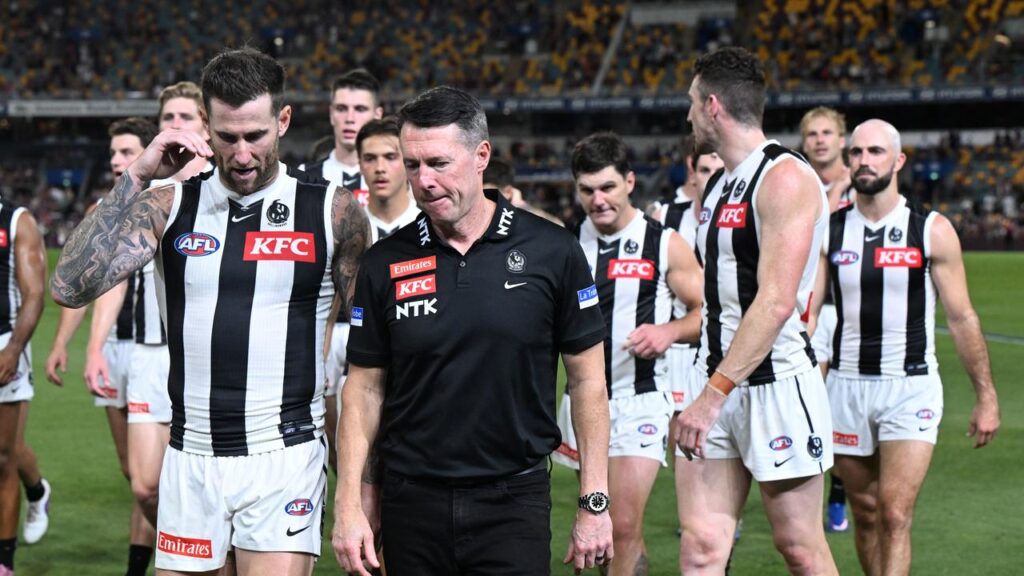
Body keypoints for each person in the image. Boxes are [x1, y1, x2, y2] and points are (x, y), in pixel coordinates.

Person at [51, 47, 369, 576]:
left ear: (283, 120)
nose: (242, 155)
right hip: (190, 454)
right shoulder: (169, 204)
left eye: (256, 136)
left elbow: (374, 348)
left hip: (284, 455)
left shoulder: (332, 212)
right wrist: (137, 175)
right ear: (204, 124)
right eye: (226, 138)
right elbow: (70, 284)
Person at [332, 86, 613, 576]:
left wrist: (594, 501)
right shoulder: (384, 262)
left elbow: (588, 381)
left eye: (439, 163)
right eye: (413, 165)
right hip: (411, 502)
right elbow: (363, 388)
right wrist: (351, 501)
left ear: (481, 156)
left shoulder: (553, 250)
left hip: (514, 502)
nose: (424, 181)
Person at [673, 47, 838, 575]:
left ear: (714, 105)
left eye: (693, 103)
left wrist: (709, 397)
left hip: (775, 385)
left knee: (799, 548)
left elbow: (774, 302)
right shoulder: (719, 182)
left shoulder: (784, 177)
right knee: (701, 548)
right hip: (715, 379)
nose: (689, 114)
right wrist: (708, 388)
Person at [813, 119, 1000, 576]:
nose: (863, 161)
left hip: (910, 386)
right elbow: (810, 314)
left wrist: (986, 395)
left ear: (898, 161)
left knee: (895, 513)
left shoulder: (930, 230)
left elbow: (962, 318)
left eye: (875, 152)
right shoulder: (828, 232)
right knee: (866, 511)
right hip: (846, 387)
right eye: (855, 153)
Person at [551, 131, 702, 576]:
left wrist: (669, 331)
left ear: (630, 182)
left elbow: (706, 314)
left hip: (641, 400)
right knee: (598, 527)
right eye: (587, 190)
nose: (598, 200)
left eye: (608, 187)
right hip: (581, 404)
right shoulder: (565, 243)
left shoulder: (664, 242)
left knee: (621, 525)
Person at [84, 82, 211, 547]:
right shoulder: (145, 195)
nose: (176, 127)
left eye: (186, 118)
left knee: (202, 485)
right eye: (167, 119)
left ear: (206, 125)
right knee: (145, 486)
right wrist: (95, 347)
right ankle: (196, 550)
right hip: (148, 356)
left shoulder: (220, 189)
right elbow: (115, 279)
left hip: (202, 359)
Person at [63, 116, 160, 576]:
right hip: (120, 345)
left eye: (127, 152)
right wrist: (74, 343)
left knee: (149, 479)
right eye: (115, 155)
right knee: (132, 471)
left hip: (156, 349)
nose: (119, 161)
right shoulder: (105, 210)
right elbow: (91, 287)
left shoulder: (172, 202)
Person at [302, 69, 384, 469]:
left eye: (360, 109)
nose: (351, 117)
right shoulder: (306, 181)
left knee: (381, 451)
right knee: (334, 454)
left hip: (382, 325)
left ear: (378, 113)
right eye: (342, 108)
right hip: (325, 329)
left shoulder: (400, 177)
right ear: (330, 114)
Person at [800, 105, 852, 532]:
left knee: (841, 406)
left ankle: (839, 492)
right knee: (812, 404)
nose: (819, 140)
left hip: (854, 311)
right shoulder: (794, 180)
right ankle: (812, 501)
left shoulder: (866, 183)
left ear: (842, 140)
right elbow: (821, 233)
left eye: (827, 132)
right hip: (810, 306)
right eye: (812, 133)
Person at [0, 187, 47, 576]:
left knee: (2, 458)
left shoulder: (16, 220)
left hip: (4, 342)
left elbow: (34, 295)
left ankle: (4, 563)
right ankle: (37, 489)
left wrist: (14, 349)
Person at [483, 158, 564, 226]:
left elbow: (559, 227)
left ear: (508, 192)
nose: (483, 201)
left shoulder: (524, 217)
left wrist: (520, 207)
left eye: (488, 194)